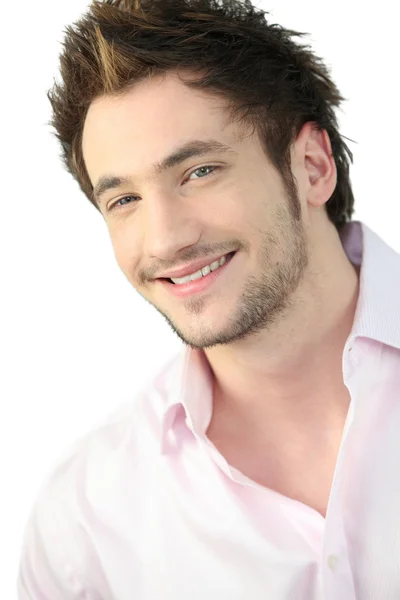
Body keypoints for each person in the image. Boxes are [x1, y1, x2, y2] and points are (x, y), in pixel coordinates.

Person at [17, 0, 400, 598]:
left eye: (198, 171)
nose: (167, 238)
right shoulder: (84, 525)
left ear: (312, 165)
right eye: (124, 201)